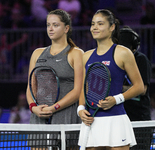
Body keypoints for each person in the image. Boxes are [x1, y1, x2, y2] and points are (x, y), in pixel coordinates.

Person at [77, 9, 144, 149]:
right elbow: (85, 88)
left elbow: (139, 86)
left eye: (100, 24)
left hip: (116, 120)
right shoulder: (86, 56)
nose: (95, 27)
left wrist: (116, 99)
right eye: (93, 24)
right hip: (91, 121)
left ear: (112, 27)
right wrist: (81, 109)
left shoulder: (123, 53)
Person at [26, 9, 84, 148]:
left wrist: (54, 108)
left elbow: (78, 90)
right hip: (40, 116)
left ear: (66, 28)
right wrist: (34, 108)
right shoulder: (37, 54)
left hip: (66, 117)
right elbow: (30, 87)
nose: (50, 29)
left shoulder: (76, 53)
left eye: (55, 25)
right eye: (48, 25)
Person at [119, 26, 152, 150]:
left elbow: (142, 89)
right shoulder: (115, 60)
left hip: (139, 119)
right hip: (121, 119)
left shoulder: (141, 59)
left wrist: (117, 89)